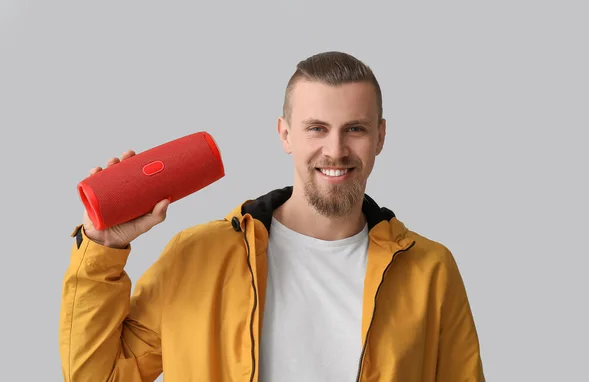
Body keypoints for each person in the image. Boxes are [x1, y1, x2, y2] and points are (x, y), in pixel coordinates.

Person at [59, 51, 485, 382]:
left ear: (381, 136)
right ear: (285, 134)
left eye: (354, 128)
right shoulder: (198, 256)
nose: (335, 150)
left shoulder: (430, 271)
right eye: (316, 128)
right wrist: (102, 246)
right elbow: (100, 375)